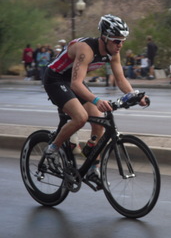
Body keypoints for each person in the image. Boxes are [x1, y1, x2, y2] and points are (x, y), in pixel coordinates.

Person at [43, 14, 148, 188]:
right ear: (105, 37)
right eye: (116, 41)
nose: (120, 45)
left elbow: (120, 79)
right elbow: (76, 84)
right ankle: (52, 149)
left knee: (99, 120)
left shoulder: (113, 52)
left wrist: (135, 95)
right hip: (56, 79)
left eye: (122, 41)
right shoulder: (86, 49)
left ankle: (93, 167)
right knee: (80, 117)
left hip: (74, 80)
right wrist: (97, 99)